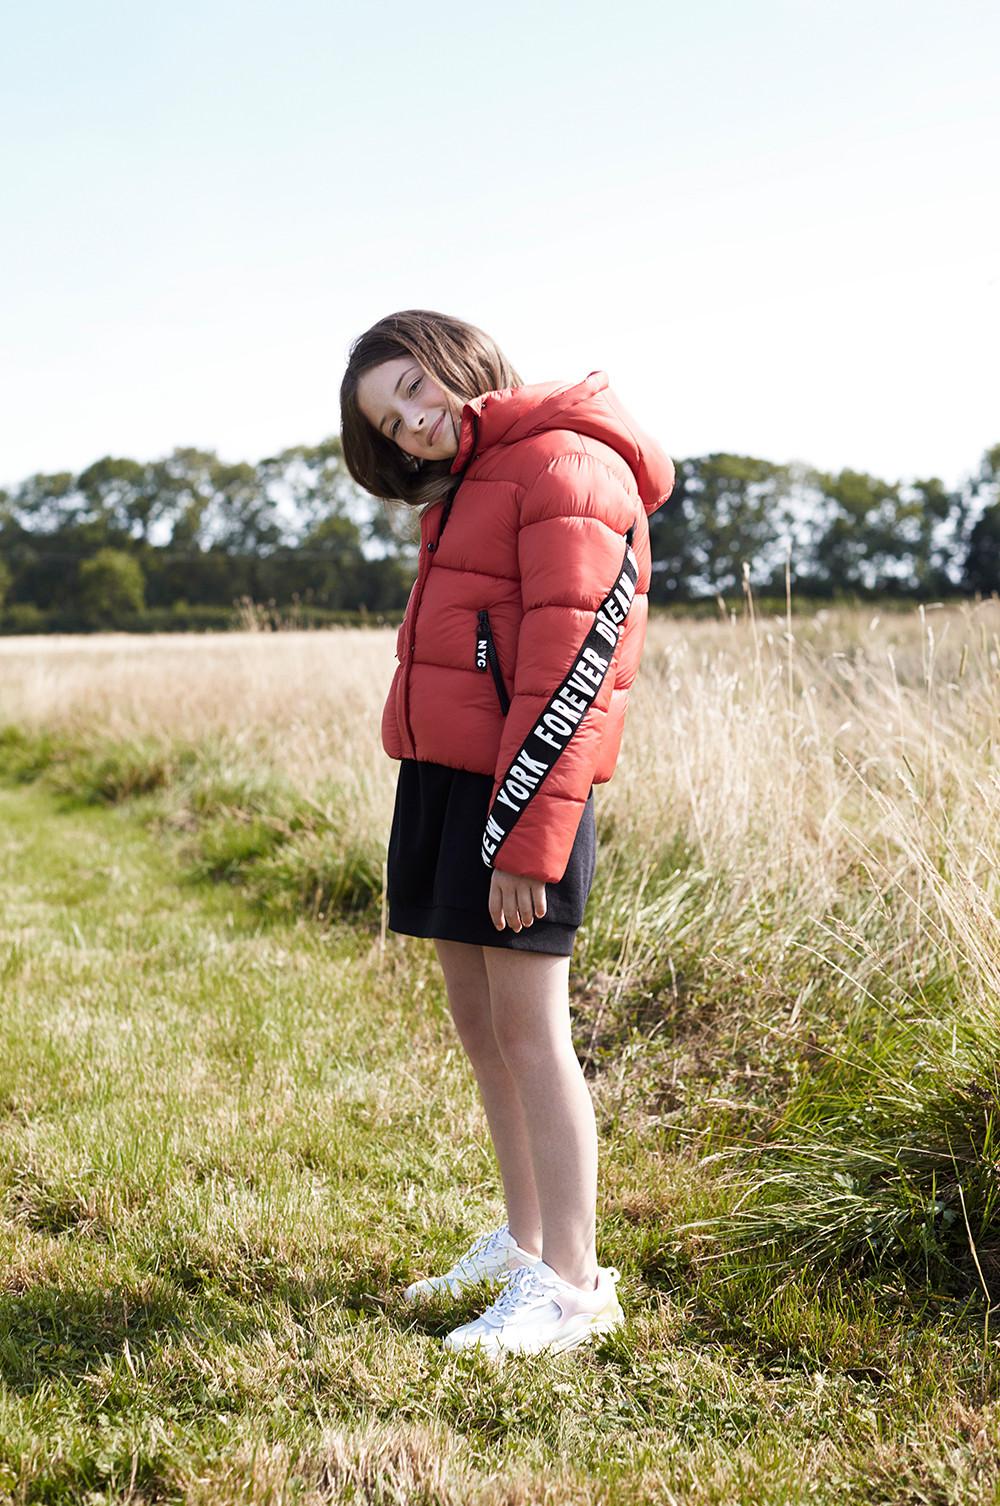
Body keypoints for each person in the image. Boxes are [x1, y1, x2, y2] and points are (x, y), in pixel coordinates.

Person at [339, 309, 675, 1360]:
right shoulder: (474, 478)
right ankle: (525, 1244)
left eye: (413, 390)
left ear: (460, 359)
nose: (411, 425)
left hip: (517, 794)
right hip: (446, 783)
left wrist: (526, 840)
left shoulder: (566, 464)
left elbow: (574, 676)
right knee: (482, 1028)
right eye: (389, 421)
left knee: (532, 1035)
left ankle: (572, 1289)